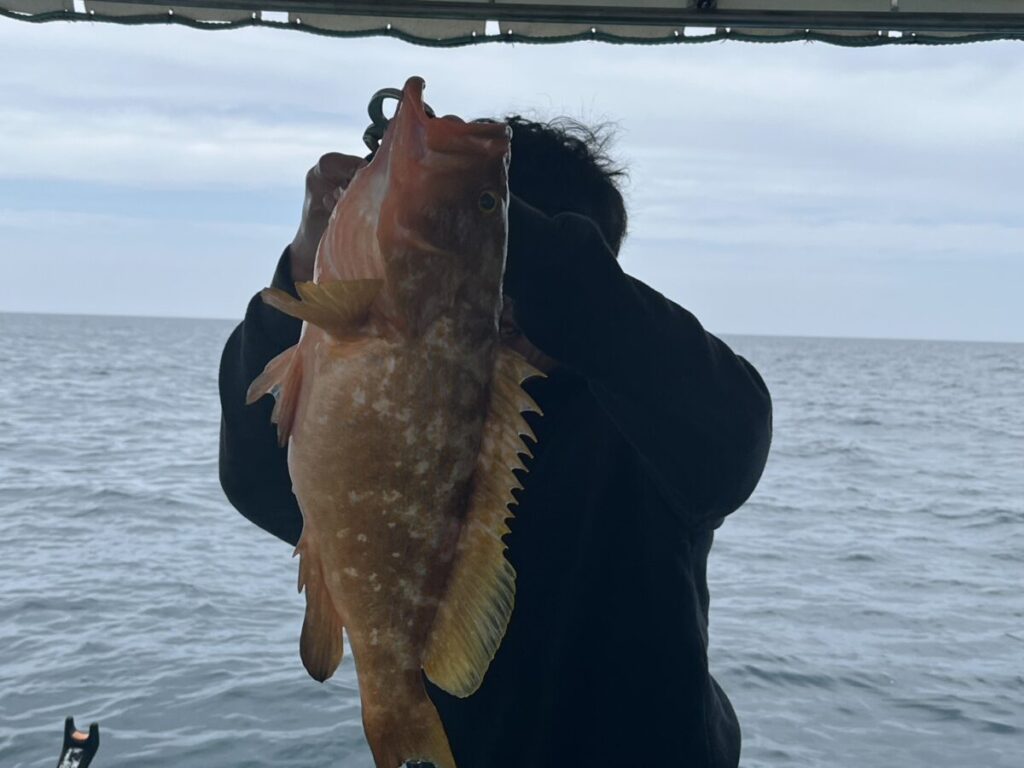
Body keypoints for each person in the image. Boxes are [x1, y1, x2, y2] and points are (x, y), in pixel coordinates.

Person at [219, 114, 772, 768]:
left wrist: (472, 214)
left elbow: (731, 426)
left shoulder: (657, 414)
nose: (501, 314)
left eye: (503, 271)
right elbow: (261, 477)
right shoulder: (383, 387)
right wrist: (306, 271)